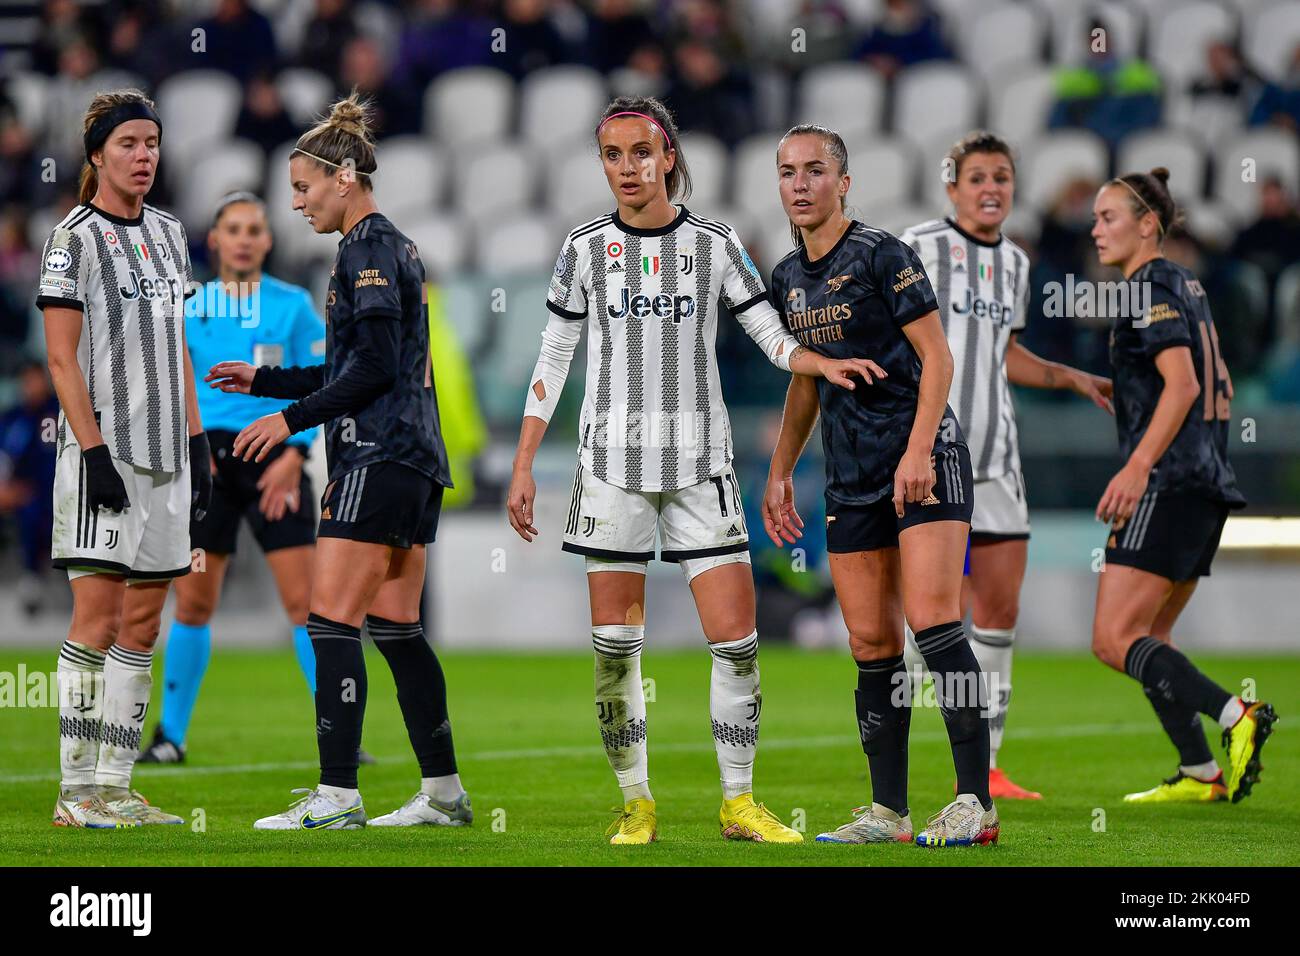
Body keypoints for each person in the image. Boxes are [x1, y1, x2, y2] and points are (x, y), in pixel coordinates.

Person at [506, 96, 877, 846]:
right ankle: (636, 802)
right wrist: (522, 462)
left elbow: (770, 332)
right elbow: (553, 357)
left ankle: (738, 802)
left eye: (640, 153)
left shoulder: (714, 242)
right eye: (612, 156)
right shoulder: (582, 248)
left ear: (668, 156)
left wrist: (817, 362)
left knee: (736, 643)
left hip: (702, 467)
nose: (626, 169)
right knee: (615, 648)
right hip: (610, 468)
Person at [207, 94, 470, 830]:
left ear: (344, 177)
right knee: (396, 629)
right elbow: (352, 364)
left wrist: (286, 419)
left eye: (303, 188)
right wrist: (265, 381)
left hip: (376, 456)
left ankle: (337, 796)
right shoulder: (393, 246)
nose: (296, 205)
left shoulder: (368, 249)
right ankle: (444, 795)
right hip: (415, 460)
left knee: (329, 622)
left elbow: (376, 369)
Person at [762, 125, 998, 847]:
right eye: (786, 172)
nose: (799, 184)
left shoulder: (882, 255)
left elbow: (938, 357)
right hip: (852, 477)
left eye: (814, 171)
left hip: (923, 459)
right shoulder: (785, 278)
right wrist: (779, 473)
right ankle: (887, 811)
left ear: (844, 181)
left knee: (933, 622)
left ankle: (975, 803)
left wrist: (919, 449)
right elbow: (804, 385)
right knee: (870, 643)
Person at [899, 131, 1113, 800]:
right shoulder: (919, 248)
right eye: (978, 177)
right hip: (931, 459)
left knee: (997, 614)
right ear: (952, 186)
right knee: (927, 616)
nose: (992, 188)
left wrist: (1069, 377)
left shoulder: (1016, 265)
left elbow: (1004, 354)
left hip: (997, 464)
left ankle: (988, 765)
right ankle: (893, 767)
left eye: (1002, 177)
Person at [38, 88, 212, 827]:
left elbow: (177, 346)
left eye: (151, 143)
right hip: (104, 456)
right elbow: (59, 358)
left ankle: (116, 784)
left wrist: (200, 444)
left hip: (169, 458)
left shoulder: (171, 234)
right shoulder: (71, 238)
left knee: (144, 626)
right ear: (97, 156)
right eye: (129, 145)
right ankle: (75, 792)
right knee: (97, 619)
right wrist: (93, 450)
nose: (144, 157)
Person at [1089, 167, 1275, 804]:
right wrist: (1130, 394)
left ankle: (1236, 716)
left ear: (1148, 225)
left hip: (1169, 483)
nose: (1095, 229)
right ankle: (1200, 773)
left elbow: (1186, 385)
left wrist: (1137, 464)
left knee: (1113, 640)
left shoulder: (1149, 286)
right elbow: (1191, 378)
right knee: (1152, 637)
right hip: (1206, 482)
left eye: (1109, 217)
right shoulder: (1185, 286)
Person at [139, 192, 325, 765]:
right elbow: (170, 387)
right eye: (233, 229)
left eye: (254, 229)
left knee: (307, 605)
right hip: (208, 466)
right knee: (193, 604)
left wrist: (297, 456)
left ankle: (338, 733)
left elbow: (326, 386)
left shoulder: (294, 306)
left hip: (278, 458)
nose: (244, 239)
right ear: (215, 240)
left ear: (268, 241)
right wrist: (191, 453)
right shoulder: (188, 305)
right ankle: (171, 736)